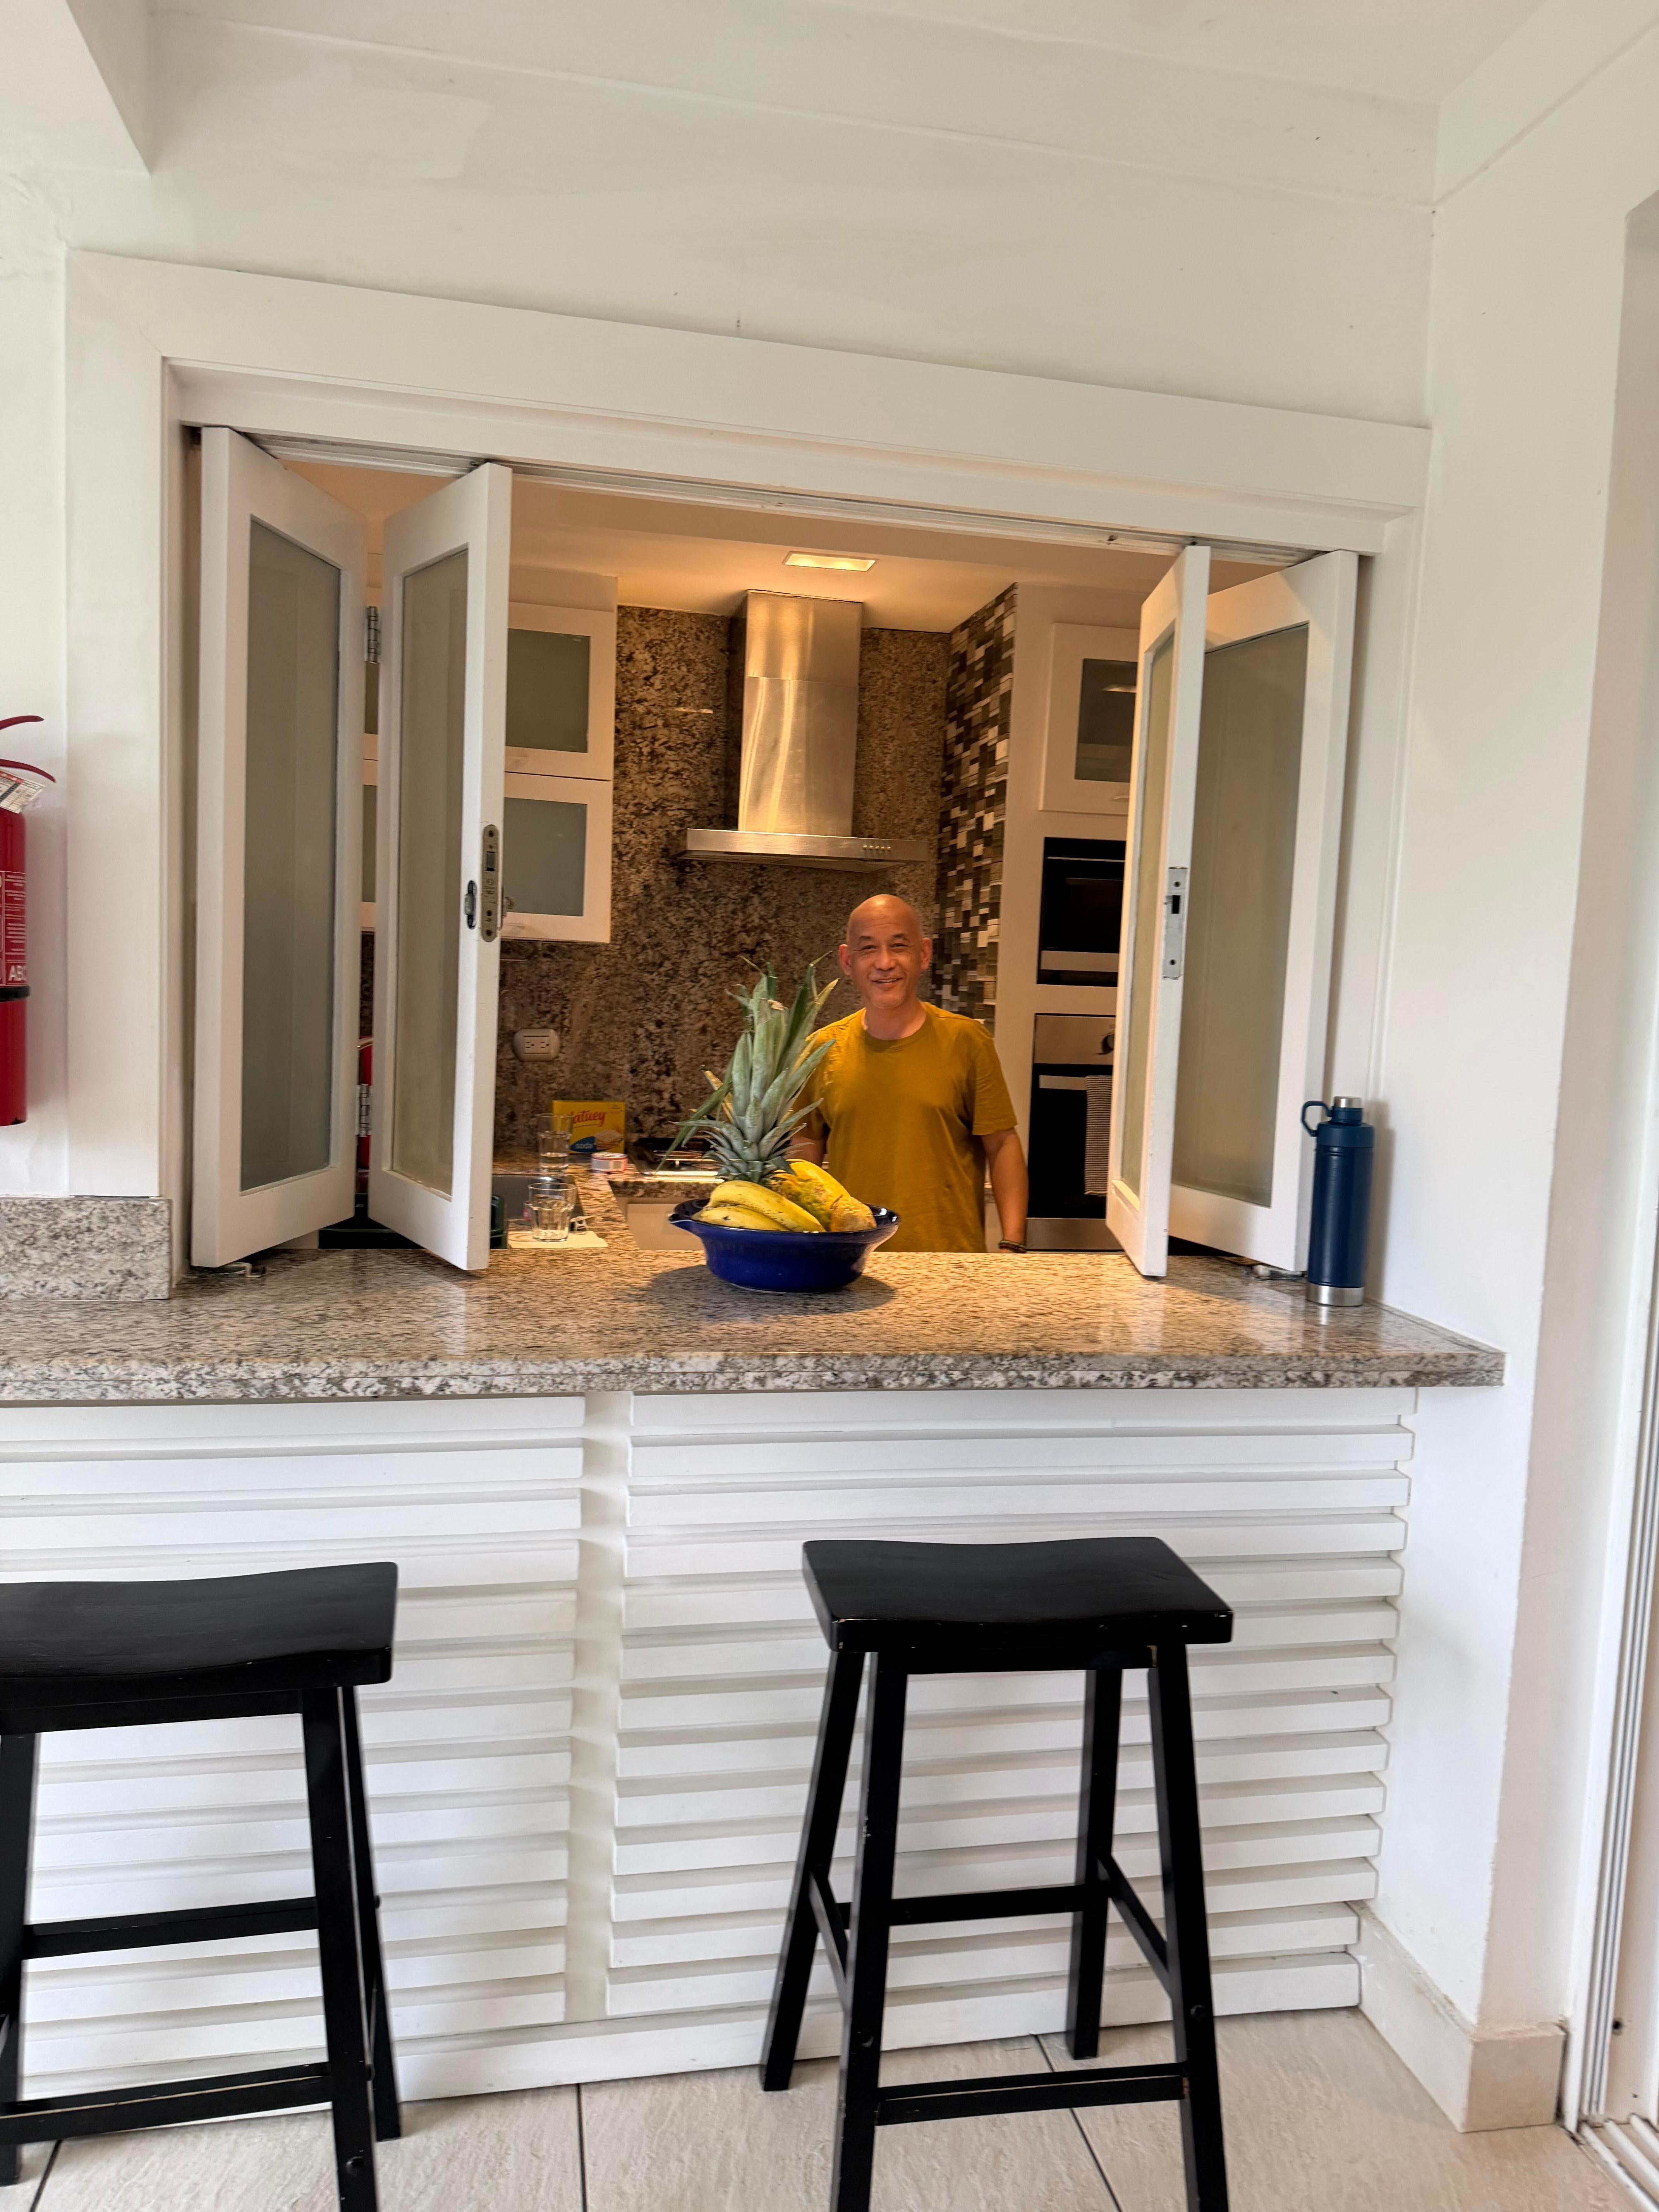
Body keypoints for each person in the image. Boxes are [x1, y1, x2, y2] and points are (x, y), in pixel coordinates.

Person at [793, 894, 1029, 1253]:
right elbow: (805, 1148)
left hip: (952, 1266)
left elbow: (1002, 1145)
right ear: (847, 961)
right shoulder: (821, 1049)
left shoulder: (967, 1041)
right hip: (849, 1262)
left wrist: (1013, 1245)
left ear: (923, 954)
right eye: (869, 949)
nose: (885, 963)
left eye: (899, 947)